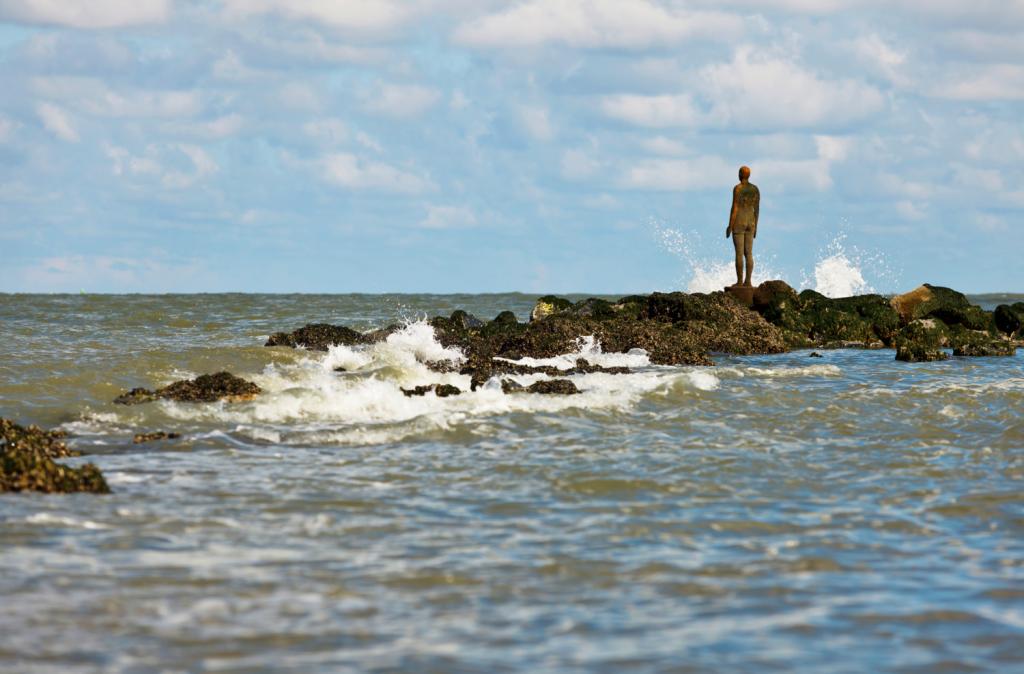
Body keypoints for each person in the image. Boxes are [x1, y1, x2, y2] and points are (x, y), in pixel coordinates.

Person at [726, 165, 759, 287]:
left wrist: (730, 226)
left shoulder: (738, 188)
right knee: (749, 253)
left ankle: (740, 282)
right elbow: (757, 209)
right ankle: (748, 282)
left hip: (739, 222)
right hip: (751, 223)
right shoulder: (755, 189)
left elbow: (735, 208)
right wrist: (756, 227)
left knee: (739, 253)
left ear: (740, 175)